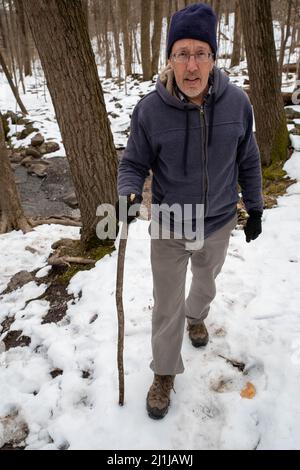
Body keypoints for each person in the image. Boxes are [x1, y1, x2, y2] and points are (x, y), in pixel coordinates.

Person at [117, 3, 263, 420]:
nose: (192, 64)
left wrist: (254, 206)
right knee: (166, 304)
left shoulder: (237, 103)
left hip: (218, 221)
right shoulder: (149, 110)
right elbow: (131, 164)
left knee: (205, 283)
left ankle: (197, 317)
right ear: (170, 60)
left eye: (201, 52)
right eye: (182, 53)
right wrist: (128, 193)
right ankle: (164, 372)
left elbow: (248, 159)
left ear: (214, 58)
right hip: (169, 223)